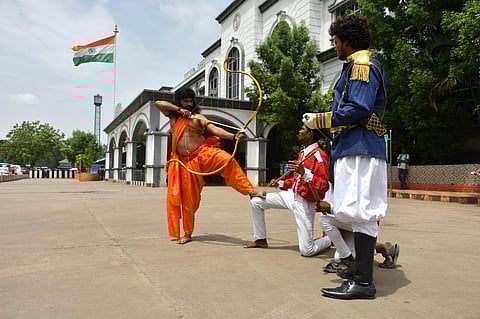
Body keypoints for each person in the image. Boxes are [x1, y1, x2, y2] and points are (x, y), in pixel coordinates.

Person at [303, 15, 388, 299]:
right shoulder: (354, 66)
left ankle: (363, 282)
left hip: (360, 148)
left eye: (336, 41)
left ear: (346, 42)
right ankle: (359, 271)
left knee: (361, 210)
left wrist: (320, 119)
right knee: (351, 209)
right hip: (354, 146)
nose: (335, 46)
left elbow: (359, 107)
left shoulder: (361, 66)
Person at [155, 88, 264, 245]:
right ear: (178, 102)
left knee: (226, 159)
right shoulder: (173, 118)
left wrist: (232, 136)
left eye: (190, 101)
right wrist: (179, 111)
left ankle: (250, 191)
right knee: (189, 201)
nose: (189, 104)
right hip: (183, 163)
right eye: (185, 101)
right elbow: (159, 103)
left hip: (202, 155)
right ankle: (187, 233)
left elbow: (214, 129)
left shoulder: (198, 118)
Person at [245, 125, 332, 257]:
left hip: (305, 202)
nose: (299, 131)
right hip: (292, 196)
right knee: (256, 201)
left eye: (302, 129)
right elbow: (296, 181)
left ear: (310, 134)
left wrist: (305, 173)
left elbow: (323, 185)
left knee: (307, 251)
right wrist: (280, 183)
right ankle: (260, 239)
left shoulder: (319, 155)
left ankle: (328, 239)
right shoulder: (303, 153)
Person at [319, 213, 400, 275]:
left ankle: (381, 248)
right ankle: (348, 258)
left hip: (362, 224)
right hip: (347, 225)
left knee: (342, 258)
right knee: (338, 258)